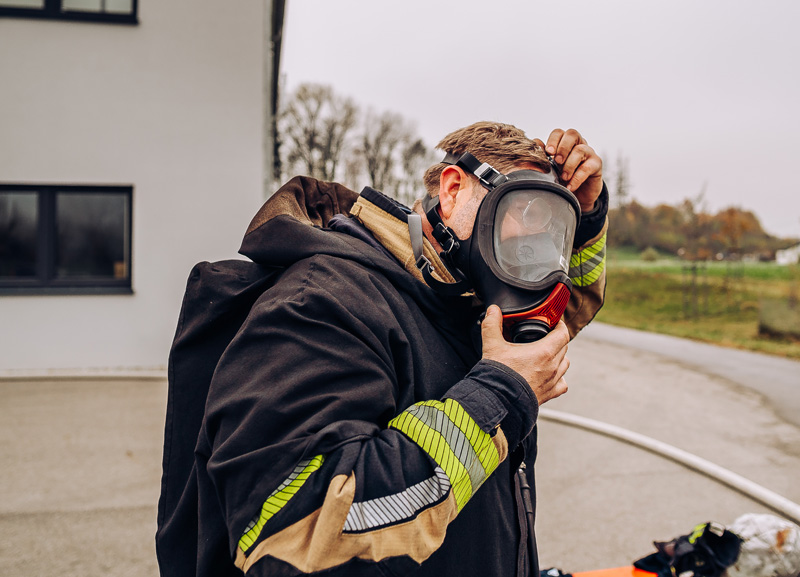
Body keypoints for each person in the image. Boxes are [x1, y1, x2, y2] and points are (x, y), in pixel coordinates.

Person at [156, 121, 608, 577]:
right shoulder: (324, 300)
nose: (540, 247)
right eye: (529, 212)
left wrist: (587, 219)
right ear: (453, 189)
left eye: (556, 226)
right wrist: (497, 399)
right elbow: (299, 530)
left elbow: (557, 316)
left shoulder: (462, 298)